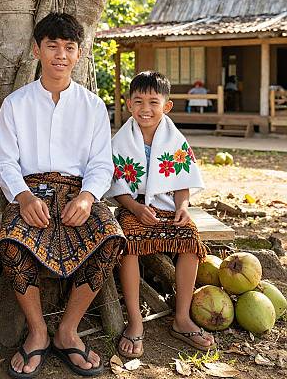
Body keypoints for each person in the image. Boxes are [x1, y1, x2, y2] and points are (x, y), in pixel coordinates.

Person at [0, 12, 126, 378]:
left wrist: (86, 198)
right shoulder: (15, 104)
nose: (61, 55)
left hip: (76, 194)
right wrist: (22, 196)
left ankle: (68, 330)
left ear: (79, 54)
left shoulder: (93, 106)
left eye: (69, 47)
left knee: (111, 238)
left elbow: (102, 164)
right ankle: (37, 332)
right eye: (52, 46)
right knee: (12, 244)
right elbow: (5, 162)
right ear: (37, 49)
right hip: (30, 193)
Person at [106, 71, 215, 359]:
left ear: (166, 106)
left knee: (190, 239)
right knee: (127, 242)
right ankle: (135, 320)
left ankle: (181, 318)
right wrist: (136, 208)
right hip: (133, 207)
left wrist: (183, 207)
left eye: (154, 102)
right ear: (128, 104)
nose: (146, 109)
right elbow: (117, 187)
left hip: (168, 208)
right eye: (138, 101)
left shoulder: (174, 139)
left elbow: (182, 183)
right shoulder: (120, 141)